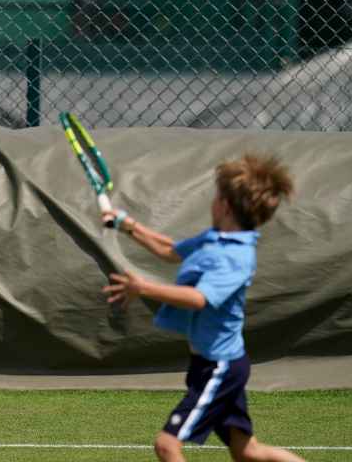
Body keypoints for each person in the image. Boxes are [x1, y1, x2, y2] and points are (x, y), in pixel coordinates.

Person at [101, 154, 304, 462]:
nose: (213, 201)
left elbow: (199, 299)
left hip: (220, 367)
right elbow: (169, 250)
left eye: (217, 195)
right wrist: (125, 224)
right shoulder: (216, 240)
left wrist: (143, 288)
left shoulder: (236, 257)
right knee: (248, 452)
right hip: (210, 364)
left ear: (225, 206)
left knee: (167, 445)